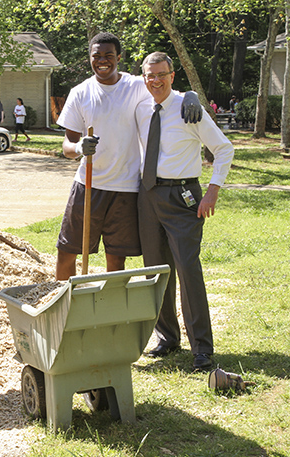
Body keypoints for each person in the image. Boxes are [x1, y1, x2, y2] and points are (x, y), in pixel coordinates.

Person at [54, 32, 202, 281]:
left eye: (108, 55)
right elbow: (67, 145)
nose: (102, 60)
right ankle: (64, 308)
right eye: (97, 56)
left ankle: (111, 311)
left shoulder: (135, 86)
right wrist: (80, 147)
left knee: (116, 257)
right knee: (67, 251)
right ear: (89, 58)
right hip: (88, 185)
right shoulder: (80, 93)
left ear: (118, 58)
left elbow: (164, 88)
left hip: (126, 188)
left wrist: (191, 95)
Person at [135, 51, 234, 371]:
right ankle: (168, 337)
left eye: (161, 75)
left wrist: (213, 191)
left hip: (182, 198)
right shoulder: (140, 104)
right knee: (156, 271)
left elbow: (223, 148)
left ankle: (202, 349)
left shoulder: (189, 109)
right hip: (147, 196)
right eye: (150, 76)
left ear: (173, 75)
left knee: (188, 271)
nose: (156, 81)